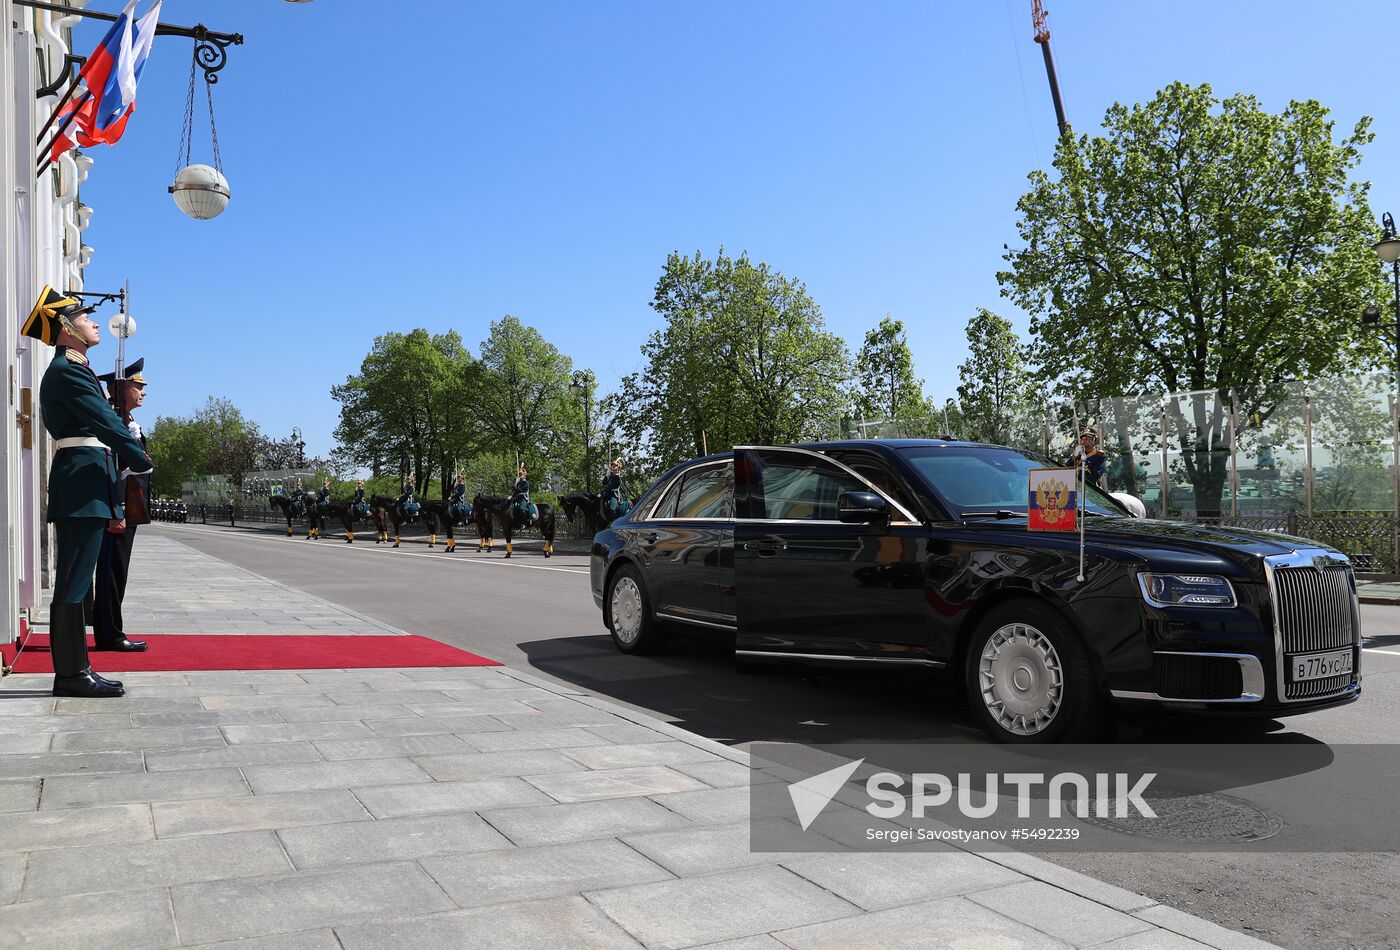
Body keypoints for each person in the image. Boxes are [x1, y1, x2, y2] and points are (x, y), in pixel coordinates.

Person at [23, 286, 151, 698]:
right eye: (84, 317)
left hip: (86, 480)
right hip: (81, 483)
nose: (94, 322)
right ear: (65, 325)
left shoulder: (74, 368)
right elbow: (104, 422)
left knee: (76, 581)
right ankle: (72, 674)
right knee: (75, 582)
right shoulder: (68, 371)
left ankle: (77, 669)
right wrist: (138, 456)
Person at [92, 358, 151, 652]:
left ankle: (111, 629)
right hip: (117, 507)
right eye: (137, 385)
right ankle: (110, 634)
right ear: (119, 387)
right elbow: (109, 469)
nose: (143, 391)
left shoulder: (127, 422)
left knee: (117, 570)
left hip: (128, 507)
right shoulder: (112, 421)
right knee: (111, 571)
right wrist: (116, 510)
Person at [599, 457, 630, 522]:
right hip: (608, 493)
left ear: (618, 468)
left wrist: (604, 492)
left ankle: (616, 521)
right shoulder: (610, 475)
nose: (612, 466)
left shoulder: (617, 478)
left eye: (614, 465)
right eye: (612, 465)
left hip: (614, 495)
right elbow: (604, 483)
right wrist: (607, 474)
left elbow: (611, 487)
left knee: (612, 508)